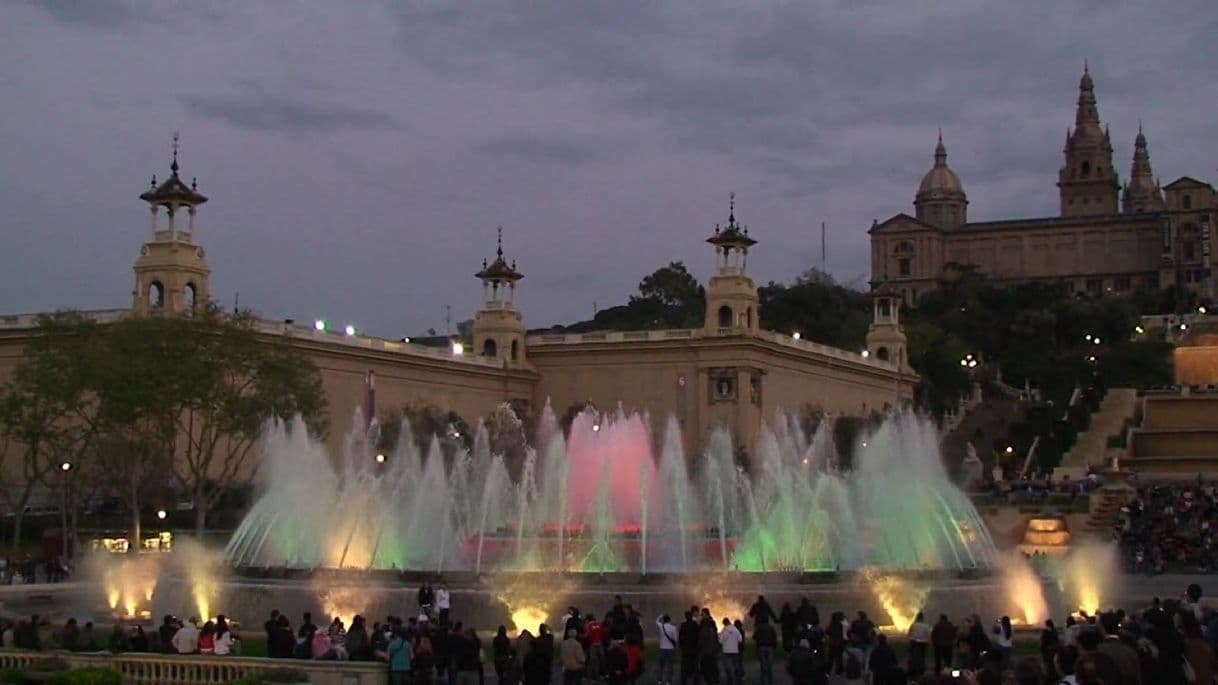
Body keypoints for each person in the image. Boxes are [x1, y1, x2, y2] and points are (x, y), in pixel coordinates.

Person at [754, 614, 778, 685]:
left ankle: (763, 681)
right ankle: (771, 681)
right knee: (769, 665)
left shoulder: (759, 628)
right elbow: (774, 637)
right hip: (770, 647)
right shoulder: (771, 628)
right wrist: (774, 646)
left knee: (763, 666)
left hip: (761, 647)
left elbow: (754, 637)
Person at [677, 611, 700, 685]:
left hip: (686, 650)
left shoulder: (683, 625)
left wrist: (682, 647)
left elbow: (680, 638)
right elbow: (698, 636)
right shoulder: (695, 625)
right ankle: (696, 681)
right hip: (694, 649)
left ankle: (684, 681)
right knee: (695, 667)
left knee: (684, 667)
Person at [718, 617, 742, 685]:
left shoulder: (724, 630)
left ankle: (730, 681)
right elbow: (740, 639)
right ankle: (738, 680)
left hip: (726, 651)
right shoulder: (735, 629)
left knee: (728, 668)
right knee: (736, 666)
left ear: (724, 623)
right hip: (735, 651)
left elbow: (720, 641)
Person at [656, 614, 678, 685]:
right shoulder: (673, 628)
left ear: (663, 620)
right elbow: (675, 639)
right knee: (670, 666)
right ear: (669, 620)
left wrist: (660, 616)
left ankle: (659, 680)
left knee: (661, 666)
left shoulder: (661, 627)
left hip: (662, 648)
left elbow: (656, 621)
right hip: (670, 648)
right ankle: (668, 681)